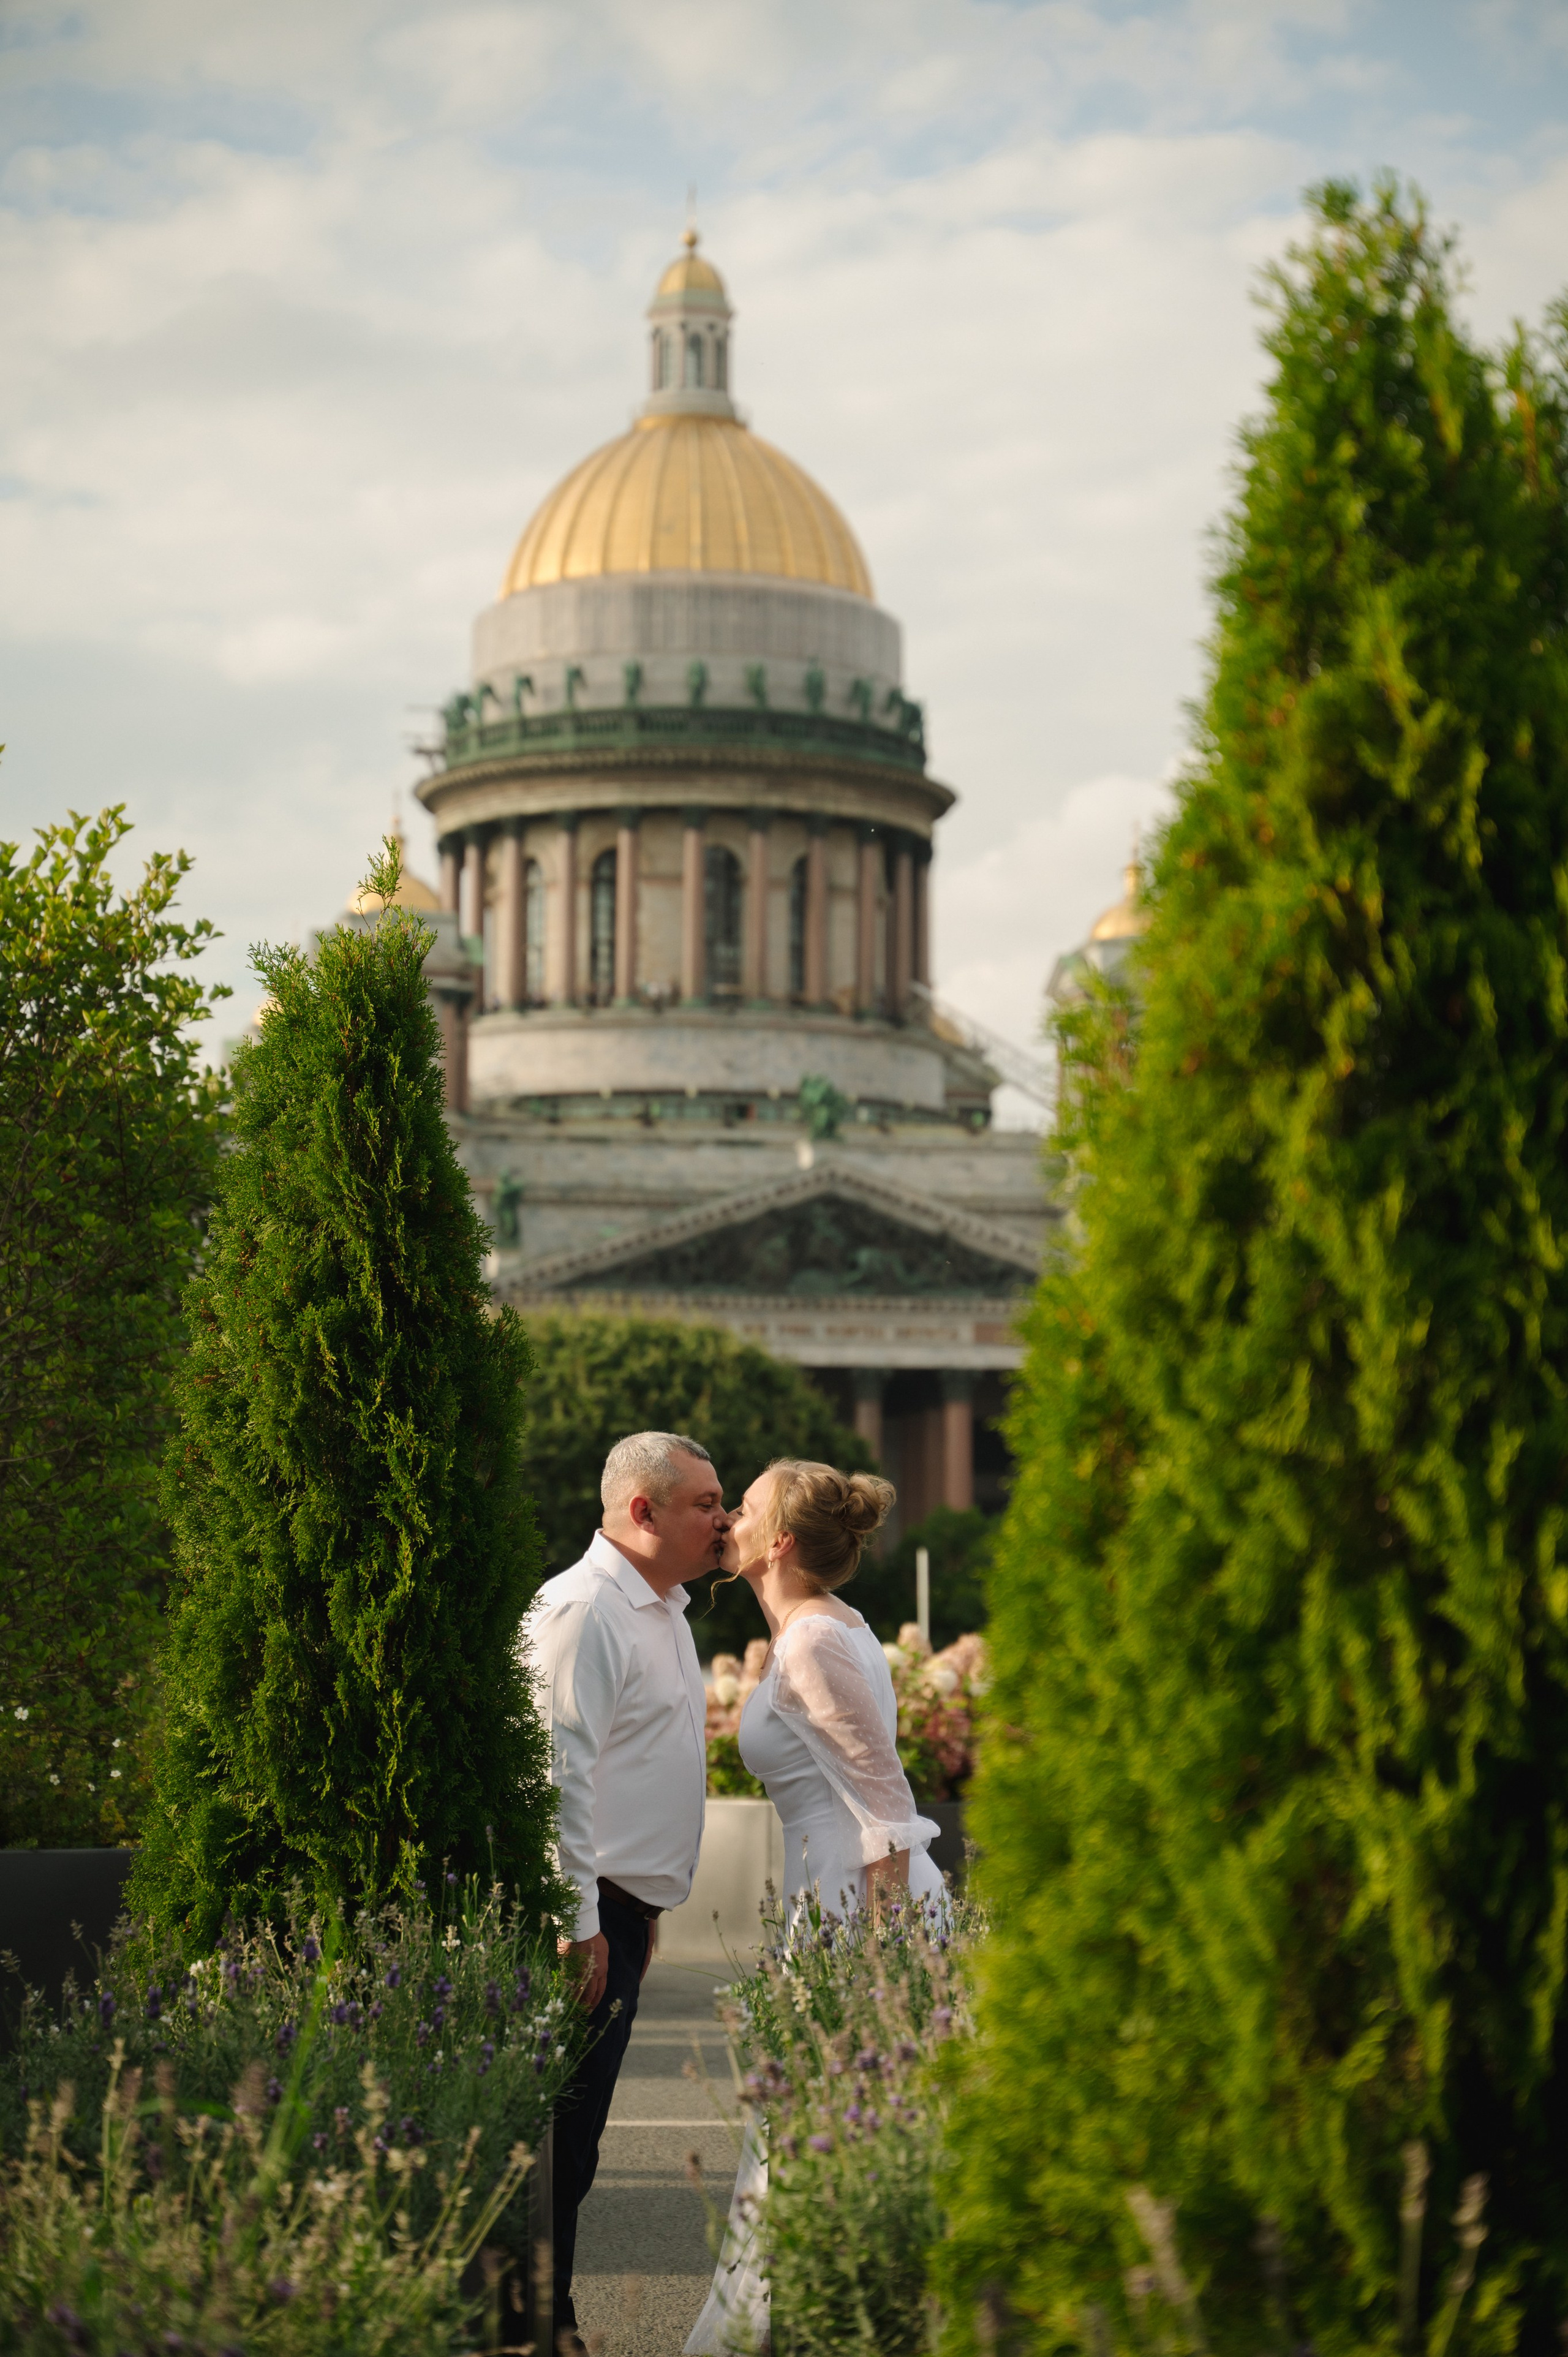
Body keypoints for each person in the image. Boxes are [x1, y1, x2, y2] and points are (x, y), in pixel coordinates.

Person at [684, 1458, 943, 2357]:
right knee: (808, 2135)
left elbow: (887, 1813)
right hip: (825, 1900)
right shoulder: (820, 1627)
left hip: (858, 1910)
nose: (727, 1519)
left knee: (819, 2132)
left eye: (742, 1509)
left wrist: (882, 1962)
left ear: (779, 1542)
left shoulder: (813, 1642)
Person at [525, 1430, 730, 2355]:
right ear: (641, 1512)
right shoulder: (584, 1610)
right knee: (558, 2140)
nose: (722, 1519)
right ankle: (535, 2323)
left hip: (622, 1914)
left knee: (580, 2135)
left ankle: (539, 2314)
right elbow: (556, 1777)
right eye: (704, 1503)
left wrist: (639, 1916)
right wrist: (580, 1923)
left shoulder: (662, 1606)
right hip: (587, 1916)